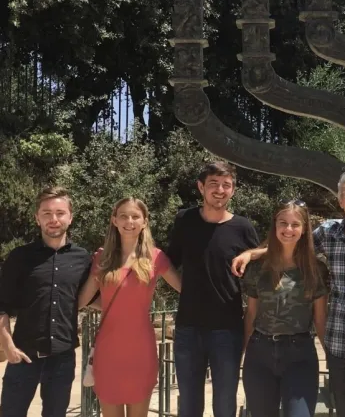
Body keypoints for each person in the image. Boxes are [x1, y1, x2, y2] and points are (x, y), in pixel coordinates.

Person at [231, 167, 345, 417]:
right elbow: (291, 241)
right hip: (341, 347)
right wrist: (253, 253)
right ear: (341, 201)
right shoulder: (329, 233)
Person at [167, 161, 260, 417]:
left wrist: (250, 254)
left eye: (226, 185)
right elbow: (167, 263)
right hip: (188, 328)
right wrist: (183, 290)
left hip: (227, 330)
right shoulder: (185, 219)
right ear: (201, 187)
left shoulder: (242, 227)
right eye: (213, 184)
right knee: (188, 403)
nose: (220, 190)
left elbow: (266, 252)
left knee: (225, 403)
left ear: (233, 190)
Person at [78, 197, 182, 417]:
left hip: (141, 351)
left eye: (135, 216)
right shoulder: (102, 258)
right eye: (123, 215)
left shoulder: (156, 257)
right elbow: (82, 299)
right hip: (108, 351)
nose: (129, 221)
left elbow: (186, 290)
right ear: (114, 220)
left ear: (144, 221)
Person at [0, 186, 92, 417]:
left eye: (60, 213)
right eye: (47, 213)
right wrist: (8, 347)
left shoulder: (83, 258)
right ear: (37, 218)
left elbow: (94, 298)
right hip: (22, 355)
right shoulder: (19, 257)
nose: (54, 219)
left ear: (70, 217)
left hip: (62, 358)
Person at [241, 200, 328, 417]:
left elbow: (320, 319)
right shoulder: (257, 268)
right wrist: (240, 353)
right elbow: (251, 314)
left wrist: (332, 359)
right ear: (275, 225)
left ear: (304, 229)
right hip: (259, 353)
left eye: (295, 224)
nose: (288, 229)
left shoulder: (316, 269)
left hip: (299, 355)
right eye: (283, 223)